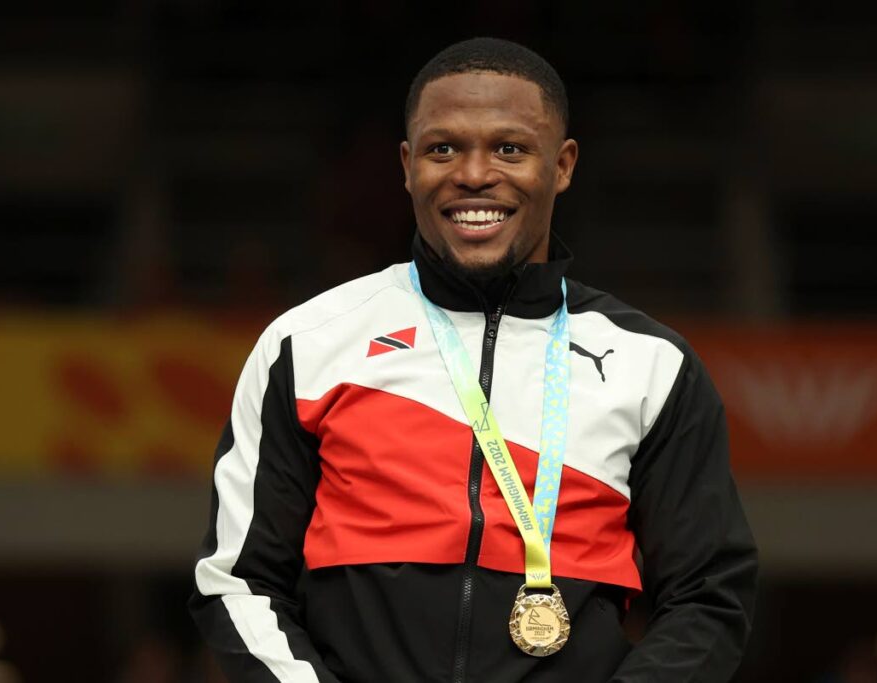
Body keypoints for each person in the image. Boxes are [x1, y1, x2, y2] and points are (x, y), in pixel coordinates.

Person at [189, 37, 757, 682]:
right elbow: (237, 581)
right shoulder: (309, 343)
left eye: (510, 148)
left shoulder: (650, 364)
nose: (474, 174)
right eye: (443, 149)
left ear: (564, 165)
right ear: (406, 166)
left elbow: (708, 598)